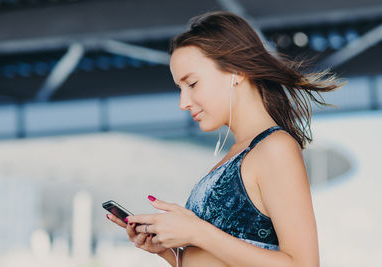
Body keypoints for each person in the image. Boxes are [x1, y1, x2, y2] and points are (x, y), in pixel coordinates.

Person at [106, 10, 344, 267]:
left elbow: (303, 264)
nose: (183, 103)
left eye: (192, 84)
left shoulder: (275, 148)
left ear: (237, 71)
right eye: (180, 88)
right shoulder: (240, 153)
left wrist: (197, 231)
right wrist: (167, 251)